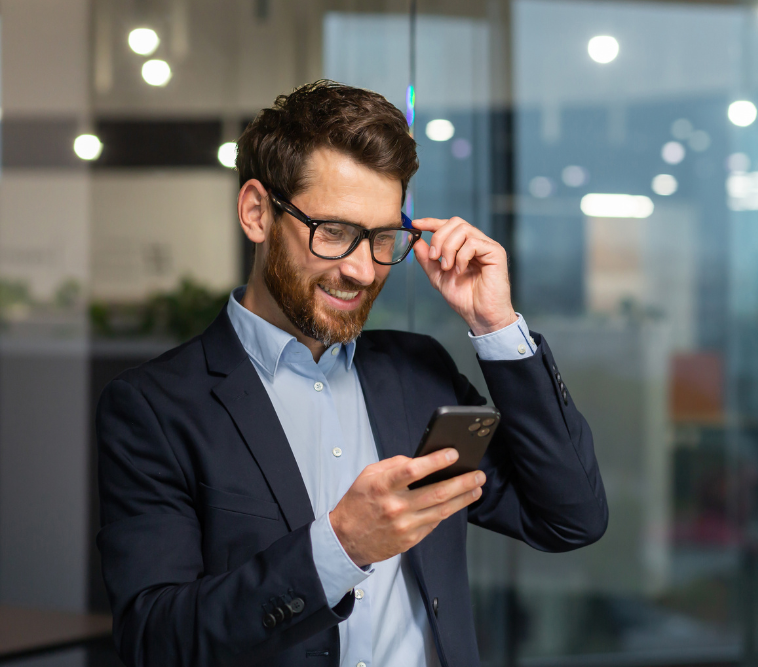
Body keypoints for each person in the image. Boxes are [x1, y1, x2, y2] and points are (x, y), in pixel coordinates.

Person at [95, 80, 608, 667]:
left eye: (383, 238)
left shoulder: (418, 374)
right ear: (257, 212)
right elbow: (154, 642)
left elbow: (570, 518)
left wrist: (494, 324)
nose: (363, 270)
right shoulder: (154, 407)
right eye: (334, 232)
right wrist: (337, 549)